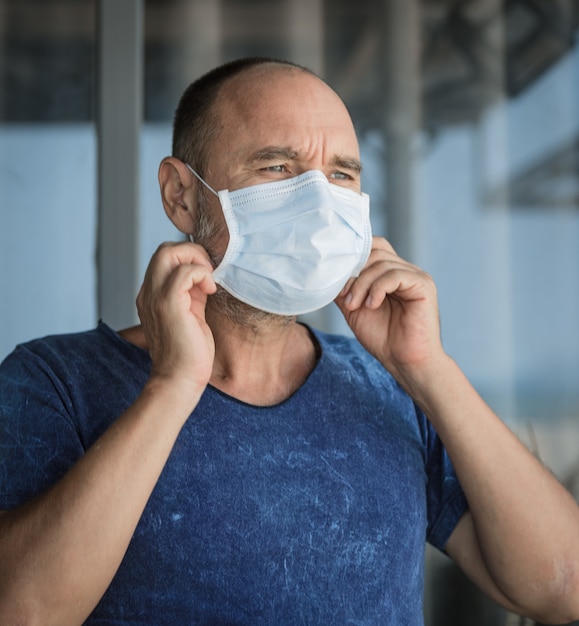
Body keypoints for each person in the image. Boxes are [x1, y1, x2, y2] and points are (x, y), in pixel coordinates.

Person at [0, 57, 578, 626]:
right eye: (277, 167)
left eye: (342, 175)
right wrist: (172, 388)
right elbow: (20, 611)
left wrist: (429, 368)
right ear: (181, 195)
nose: (320, 206)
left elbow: (563, 587)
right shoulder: (54, 381)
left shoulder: (390, 386)